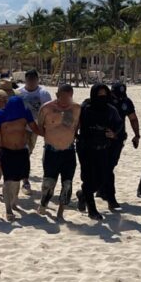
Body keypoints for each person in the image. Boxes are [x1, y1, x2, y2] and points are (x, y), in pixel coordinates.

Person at [0, 96, 43, 221]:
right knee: (8, 180)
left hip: (22, 151)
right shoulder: (0, 115)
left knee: (18, 179)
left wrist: (51, 134)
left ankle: (14, 202)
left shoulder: (25, 113)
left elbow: (35, 128)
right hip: (6, 151)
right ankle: (8, 209)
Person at [76, 84, 122, 220]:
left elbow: (119, 125)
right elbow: (74, 122)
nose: (102, 98)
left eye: (104, 95)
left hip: (103, 148)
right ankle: (92, 209)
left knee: (101, 179)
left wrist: (114, 134)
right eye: (99, 95)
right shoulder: (85, 108)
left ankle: (82, 194)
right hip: (85, 148)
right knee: (87, 178)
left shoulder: (111, 110)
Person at [37, 84, 81, 220]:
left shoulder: (76, 108)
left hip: (69, 151)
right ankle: (43, 204)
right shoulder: (46, 108)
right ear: (57, 95)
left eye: (69, 97)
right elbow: (40, 127)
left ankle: (61, 211)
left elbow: (76, 127)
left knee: (67, 183)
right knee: (49, 182)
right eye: (63, 97)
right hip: (51, 151)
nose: (65, 101)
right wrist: (51, 138)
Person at [99, 82, 140, 210]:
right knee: (105, 166)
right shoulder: (104, 100)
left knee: (111, 165)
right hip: (102, 138)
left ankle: (102, 189)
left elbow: (132, 118)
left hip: (118, 138)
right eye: (117, 95)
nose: (119, 98)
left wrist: (137, 135)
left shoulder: (126, 102)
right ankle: (107, 194)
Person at [17, 69, 52, 193]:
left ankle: (22, 175)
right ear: (25, 80)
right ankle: (25, 181)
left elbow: (49, 112)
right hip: (21, 128)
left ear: (37, 80)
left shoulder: (44, 93)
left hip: (36, 128)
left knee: (28, 153)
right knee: (23, 153)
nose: (31, 83)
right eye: (29, 80)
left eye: (34, 80)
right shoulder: (19, 92)